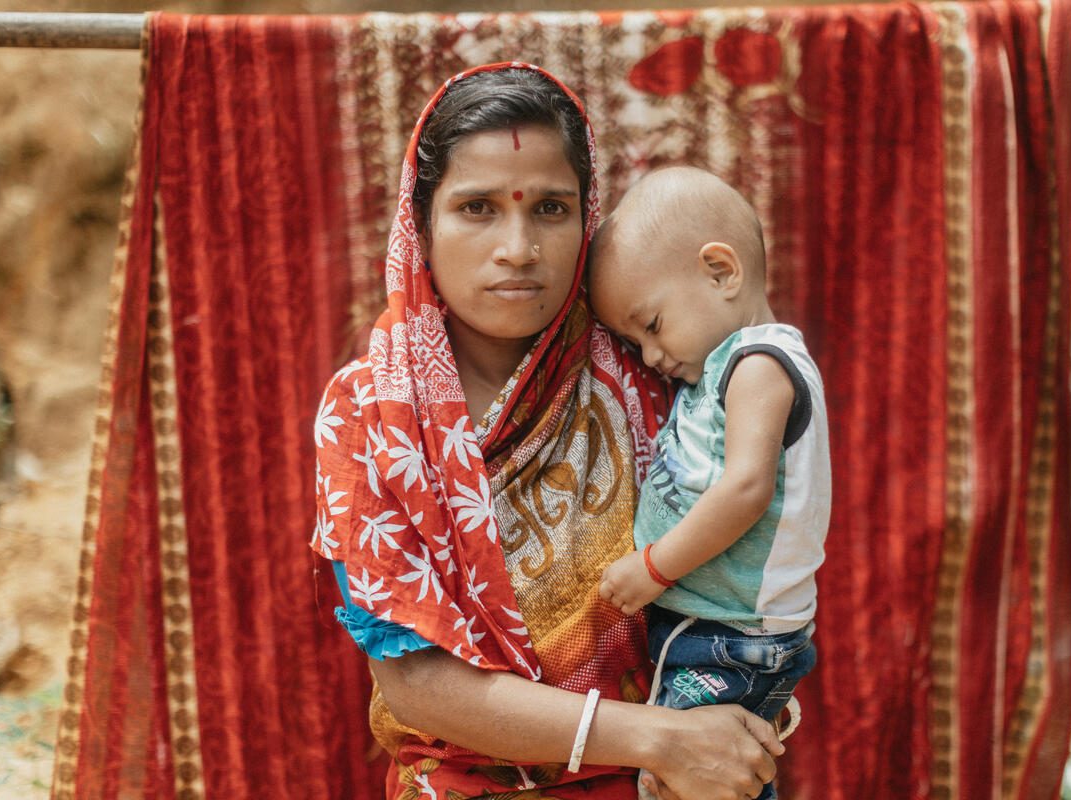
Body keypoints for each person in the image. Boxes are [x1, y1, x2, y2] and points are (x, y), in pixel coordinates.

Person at [311, 64, 784, 800]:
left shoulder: (651, 372)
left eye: (551, 210)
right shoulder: (370, 413)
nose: (518, 248)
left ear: (587, 217)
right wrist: (657, 736)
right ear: (421, 225)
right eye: (477, 208)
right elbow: (418, 684)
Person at [591, 167, 831, 800]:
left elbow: (746, 490)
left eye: (652, 324)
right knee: (704, 776)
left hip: (735, 635)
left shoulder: (760, 363)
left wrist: (656, 567)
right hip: (711, 626)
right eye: (630, 340)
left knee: (696, 780)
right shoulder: (717, 370)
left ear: (722, 272)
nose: (648, 357)